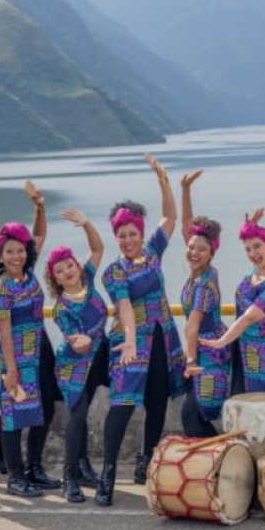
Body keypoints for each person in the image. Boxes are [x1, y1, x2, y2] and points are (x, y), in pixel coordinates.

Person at [98, 155, 188, 506]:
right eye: (121, 236)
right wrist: (133, 341)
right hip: (129, 344)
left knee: (156, 403)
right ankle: (107, 473)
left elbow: (170, 217)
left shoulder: (153, 253)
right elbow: (123, 306)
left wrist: (162, 179)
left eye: (132, 233)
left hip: (162, 339)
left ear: (140, 232)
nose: (127, 240)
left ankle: (145, 462)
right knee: (120, 405)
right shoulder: (113, 272)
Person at [0, 181, 61, 497]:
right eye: (9, 252)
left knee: (45, 407)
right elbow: (3, 332)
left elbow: (40, 235)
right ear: (0, 255)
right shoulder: (1, 289)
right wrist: (11, 369)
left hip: (40, 347)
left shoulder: (29, 274)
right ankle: (15, 477)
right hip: (13, 353)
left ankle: (34, 468)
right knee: (13, 415)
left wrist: (40, 207)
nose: (16, 256)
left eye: (20, 250)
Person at [45, 208, 107, 502]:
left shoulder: (90, 280)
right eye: (60, 271)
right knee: (78, 415)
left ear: (77, 266)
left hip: (97, 357)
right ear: (55, 280)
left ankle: (83, 467)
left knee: (88, 412)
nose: (67, 272)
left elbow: (97, 248)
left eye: (69, 265)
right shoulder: (61, 308)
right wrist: (80, 339)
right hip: (73, 365)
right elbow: (75, 340)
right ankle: (68, 477)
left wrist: (86, 224)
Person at [199, 217, 265, 395]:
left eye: (257, 246)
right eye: (248, 249)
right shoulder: (256, 271)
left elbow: (248, 317)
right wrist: (249, 226)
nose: (252, 253)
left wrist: (222, 341)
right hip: (244, 351)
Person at [178, 168, 231, 438]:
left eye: (201, 248)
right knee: (193, 414)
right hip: (202, 351)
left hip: (207, 354)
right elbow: (187, 229)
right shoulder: (200, 273)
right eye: (191, 247)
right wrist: (185, 190)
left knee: (193, 414)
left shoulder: (204, 283)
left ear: (211, 252)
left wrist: (189, 361)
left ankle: (223, 458)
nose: (193, 251)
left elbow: (192, 326)